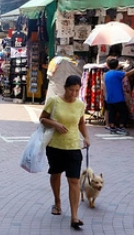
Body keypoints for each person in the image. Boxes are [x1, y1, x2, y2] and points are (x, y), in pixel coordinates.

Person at [39, 74, 90, 230]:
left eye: (77, 91)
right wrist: (55, 124)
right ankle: (57, 202)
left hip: (73, 146)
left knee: (73, 180)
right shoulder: (54, 101)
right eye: (71, 90)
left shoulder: (80, 104)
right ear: (65, 88)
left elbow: (81, 122)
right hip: (55, 146)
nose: (74, 94)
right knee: (55, 174)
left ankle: (74, 216)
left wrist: (86, 137)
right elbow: (42, 118)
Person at [103, 58, 134, 135]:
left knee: (112, 113)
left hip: (109, 98)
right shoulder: (118, 73)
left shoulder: (106, 74)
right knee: (124, 112)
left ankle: (112, 127)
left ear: (108, 66)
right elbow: (127, 74)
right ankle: (121, 126)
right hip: (118, 97)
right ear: (117, 65)